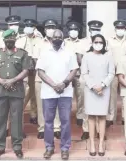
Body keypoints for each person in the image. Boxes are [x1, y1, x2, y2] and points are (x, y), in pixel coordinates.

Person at [0, 29, 30, 159]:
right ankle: (0, 147)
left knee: (16, 120)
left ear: (15, 40)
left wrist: (13, 80)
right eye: (7, 39)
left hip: (16, 91)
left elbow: (26, 70)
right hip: (0, 91)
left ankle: (17, 147)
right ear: (4, 40)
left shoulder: (23, 53)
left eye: (12, 39)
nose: (10, 41)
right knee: (0, 119)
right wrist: (1, 81)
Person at [36, 29, 79, 160]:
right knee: (48, 122)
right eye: (55, 37)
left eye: (59, 37)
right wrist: (54, 85)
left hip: (65, 93)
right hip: (49, 93)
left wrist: (64, 83)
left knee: (65, 121)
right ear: (51, 38)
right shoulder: (44, 52)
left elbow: (74, 70)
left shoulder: (69, 52)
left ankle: (65, 148)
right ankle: (49, 147)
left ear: (63, 38)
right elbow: (40, 72)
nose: (57, 39)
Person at [81, 34, 115, 156]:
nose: (98, 44)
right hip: (90, 90)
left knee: (101, 117)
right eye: (96, 42)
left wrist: (102, 85)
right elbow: (84, 73)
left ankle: (100, 143)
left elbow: (111, 73)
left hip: (104, 90)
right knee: (91, 117)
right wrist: (94, 86)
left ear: (104, 44)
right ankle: (91, 143)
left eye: (101, 42)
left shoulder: (108, 56)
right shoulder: (87, 56)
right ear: (92, 43)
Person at [32, 19, 62, 140]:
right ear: (44, 30)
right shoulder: (39, 43)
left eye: (52, 27)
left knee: (57, 104)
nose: (50, 29)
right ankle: (42, 128)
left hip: (56, 79)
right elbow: (35, 60)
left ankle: (56, 128)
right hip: (41, 78)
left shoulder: (61, 43)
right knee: (41, 105)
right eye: (48, 27)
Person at [63, 21, 88, 140]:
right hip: (67, 74)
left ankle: (80, 116)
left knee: (81, 96)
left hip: (79, 73)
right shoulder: (64, 42)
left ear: (79, 31)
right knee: (67, 96)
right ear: (68, 31)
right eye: (71, 29)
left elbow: (84, 58)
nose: (73, 31)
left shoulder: (83, 43)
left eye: (76, 30)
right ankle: (66, 116)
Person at [15, 19, 42, 125]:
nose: (29, 27)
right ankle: (19, 116)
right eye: (27, 25)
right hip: (24, 70)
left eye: (31, 26)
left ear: (34, 27)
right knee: (25, 93)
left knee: (35, 93)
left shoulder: (39, 39)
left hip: (36, 69)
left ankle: (34, 115)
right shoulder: (20, 39)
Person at [107, 20, 126, 126]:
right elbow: (108, 56)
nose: (120, 30)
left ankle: (125, 117)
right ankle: (111, 117)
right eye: (118, 28)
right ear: (115, 29)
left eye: (122, 28)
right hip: (114, 72)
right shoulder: (109, 40)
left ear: (125, 29)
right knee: (112, 96)